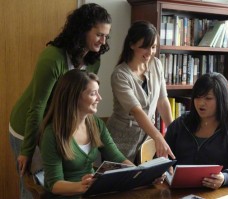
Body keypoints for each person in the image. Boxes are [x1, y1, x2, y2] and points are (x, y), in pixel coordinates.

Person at [9, 3, 112, 198]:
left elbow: (82, 97)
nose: (103, 41)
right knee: (33, 188)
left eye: (106, 36)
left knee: (58, 186)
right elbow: (37, 107)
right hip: (27, 126)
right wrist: (27, 150)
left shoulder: (94, 59)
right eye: (99, 34)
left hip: (55, 127)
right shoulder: (53, 58)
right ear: (82, 30)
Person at [39, 69, 133, 198]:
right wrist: (83, 186)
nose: (99, 98)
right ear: (74, 97)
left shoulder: (96, 124)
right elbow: (55, 185)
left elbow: (117, 158)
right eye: (93, 94)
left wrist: (142, 173)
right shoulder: (52, 134)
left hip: (91, 192)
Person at [165, 72, 228, 189]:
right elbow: (162, 156)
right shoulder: (182, 123)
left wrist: (224, 178)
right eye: (197, 97)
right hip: (178, 191)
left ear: (221, 100)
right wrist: (163, 170)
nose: (201, 103)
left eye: (208, 98)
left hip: (215, 193)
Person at [106, 20, 175, 163]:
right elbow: (137, 111)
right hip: (120, 140)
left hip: (146, 140)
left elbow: (162, 101)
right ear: (131, 45)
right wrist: (158, 136)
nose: (150, 52)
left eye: (154, 47)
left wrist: (174, 131)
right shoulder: (120, 75)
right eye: (145, 47)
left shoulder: (156, 64)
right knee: (123, 181)